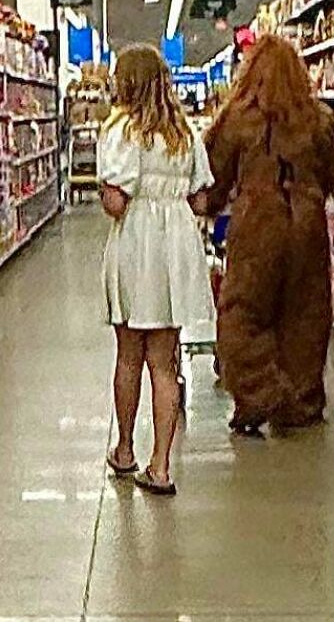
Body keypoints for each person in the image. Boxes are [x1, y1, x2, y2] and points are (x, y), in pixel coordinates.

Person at [202, 35, 334, 435]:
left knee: (241, 313)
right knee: (306, 315)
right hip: (308, 222)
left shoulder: (237, 117)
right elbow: (332, 174)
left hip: (257, 224)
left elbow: (213, 178)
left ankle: (260, 391)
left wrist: (211, 206)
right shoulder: (317, 119)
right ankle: (300, 401)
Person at [97, 44, 216, 496]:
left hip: (137, 245)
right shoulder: (184, 132)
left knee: (129, 356)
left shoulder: (121, 130)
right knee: (164, 363)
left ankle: (125, 449)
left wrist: (107, 184)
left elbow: (115, 203)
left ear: (125, 84)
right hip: (175, 248)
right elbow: (201, 200)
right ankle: (161, 466)